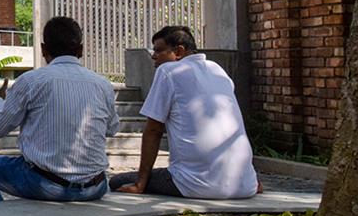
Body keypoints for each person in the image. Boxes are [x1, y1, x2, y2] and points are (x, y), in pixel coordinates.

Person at [0, 16, 118, 204]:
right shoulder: (103, 85)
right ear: (80, 49)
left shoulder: (31, 81)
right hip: (96, 187)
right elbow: (112, 129)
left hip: (46, 184)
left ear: (44, 48)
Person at [110, 26, 259, 199]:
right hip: (245, 185)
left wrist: (140, 184)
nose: (153, 56)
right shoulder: (217, 70)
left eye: (158, 50)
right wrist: (251, 179)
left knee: (117, 181)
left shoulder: (168, 71)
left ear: (179, 52)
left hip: (195, 184)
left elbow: (153, 131)